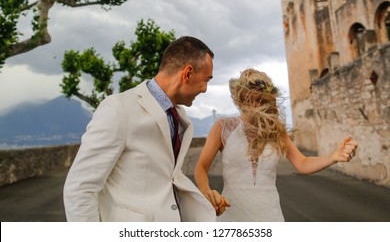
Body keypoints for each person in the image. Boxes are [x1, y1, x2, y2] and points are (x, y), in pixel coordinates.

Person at [63, 36, 217, 222]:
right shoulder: (118, 109)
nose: (205, 89)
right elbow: (79, 189)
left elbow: (166, 178)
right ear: (187, 73)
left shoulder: (179, 117)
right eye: (206, 80)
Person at [194, 68, 358, 221]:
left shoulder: (275, 131)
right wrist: (207, 192)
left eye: (261, 99)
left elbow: (302, 163)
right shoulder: (223, 127)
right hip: (232, 217)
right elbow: (201, 167)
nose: (257, 104)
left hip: (271, 216)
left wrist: (332, 157)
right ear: (242, 98)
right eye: (252, 98)